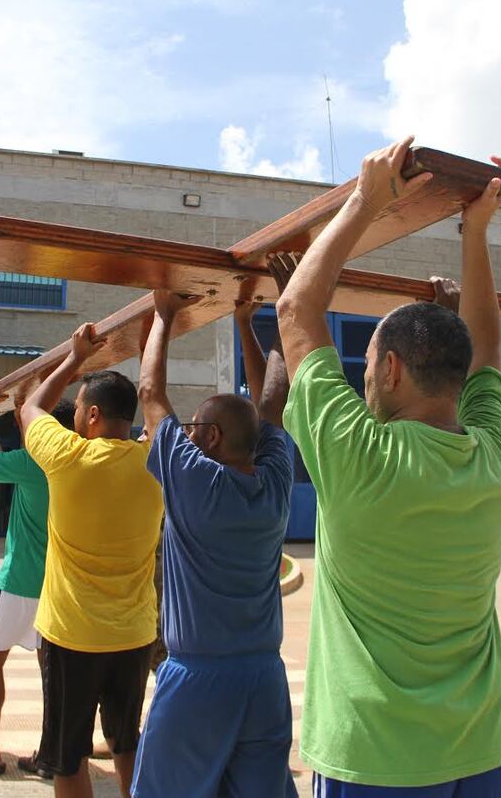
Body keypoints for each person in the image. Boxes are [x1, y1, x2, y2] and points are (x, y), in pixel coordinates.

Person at [275, 138, 501, 795]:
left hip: (374, 758)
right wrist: (476, 230)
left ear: (389, 368)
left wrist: (365, 199)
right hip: (477, 749)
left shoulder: (357, 456)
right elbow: (486, 350)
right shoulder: (495, 455)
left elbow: (294, 310)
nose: (362, 381)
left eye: (366, 367)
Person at [130, 286, 296, 798]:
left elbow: (150, 394)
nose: (187, 434)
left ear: (213, 438)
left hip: (198, 680)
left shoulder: (196, 480)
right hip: (265, 679)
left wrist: (164, 314)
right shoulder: (275, 481)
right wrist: (259, 320)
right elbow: (272, 401)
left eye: (195, 427)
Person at [19, 325, 164, 798]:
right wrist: (153, 338)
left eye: (79, 409)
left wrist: (74, 358)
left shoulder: (67, 457)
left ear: (94, 415)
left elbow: (30, 408)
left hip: (72, 637)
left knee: (68, 757)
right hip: (134, 635)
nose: (75, 416)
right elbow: (156, 405)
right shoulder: (156, 461)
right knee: (126, 742)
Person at [0, 383, 75, 776]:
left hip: (18, 583)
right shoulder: (73, 461)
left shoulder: (29, 463)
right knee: (52, 674)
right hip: (57, 588)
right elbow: (2, 459)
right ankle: (50, 755)